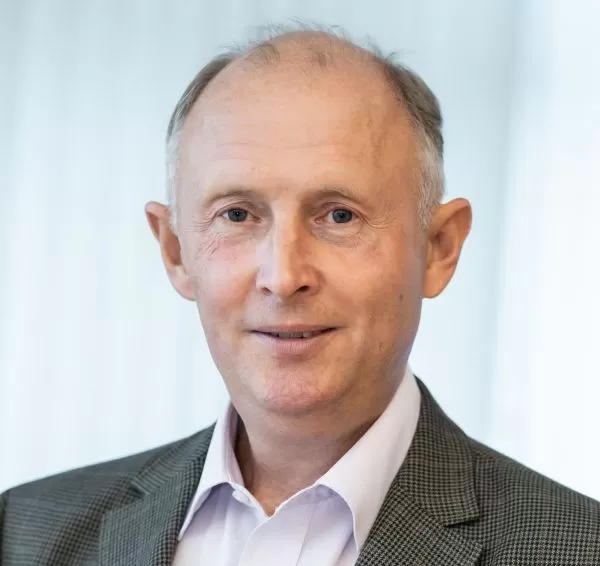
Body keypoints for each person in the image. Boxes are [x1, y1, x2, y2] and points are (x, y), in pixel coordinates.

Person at [1, 24, 598, 566]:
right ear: (176, 251)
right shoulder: (23, 532)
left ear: (439, 249)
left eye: (339, 215)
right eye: (237, 215)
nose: (284, 276)